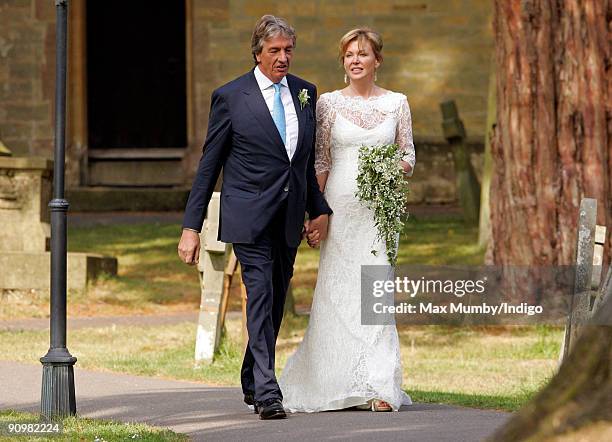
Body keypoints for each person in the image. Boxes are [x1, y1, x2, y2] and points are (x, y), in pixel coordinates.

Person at [177, 15, 332, 420]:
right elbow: (209, 166)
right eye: (275, 51)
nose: (283, 58)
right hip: (247, 214)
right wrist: (191, 227)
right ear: (258, 52)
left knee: (276, 301)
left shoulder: (305, 93)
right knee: (259, 295)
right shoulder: (230, 96)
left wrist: (319, 211)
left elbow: (300, 165)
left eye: (288, 50)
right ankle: (267, 391)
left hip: (288, 217)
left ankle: (250, 375)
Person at [279, 27, 415, 412]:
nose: (356, 60)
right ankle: (332, 381)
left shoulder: (397, 103)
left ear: (377, 61)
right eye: (349, 54)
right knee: (338, 292)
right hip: (339, 208)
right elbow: (320, 161)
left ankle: (378, 385)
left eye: (363, 54)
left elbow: (408, 154)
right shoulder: (328, 105)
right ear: (343, 62)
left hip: (379, 213)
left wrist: (391, 169)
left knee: (374, 291)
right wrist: (316, 212)